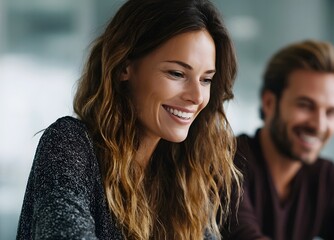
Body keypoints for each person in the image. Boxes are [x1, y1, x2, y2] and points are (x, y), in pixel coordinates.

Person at [16, 0, 242, 239]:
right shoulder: (70, 144)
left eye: (206, 79)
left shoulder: (183, 176)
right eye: (177, 73)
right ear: (125, 66)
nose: (197, 96)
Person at [222, 40, 334, 240]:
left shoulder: (328, 180)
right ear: (269, 103)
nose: (319, 125)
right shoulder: (225, 161)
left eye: (331, 112)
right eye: (305, 105)